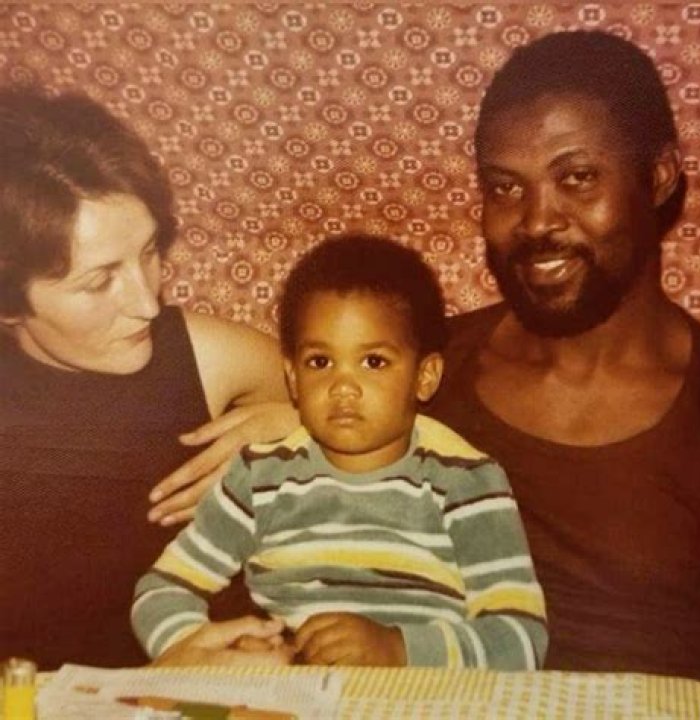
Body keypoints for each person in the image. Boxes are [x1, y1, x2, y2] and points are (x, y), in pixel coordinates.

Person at [426, 30, 700, 682]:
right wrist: (288, 423)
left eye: (577, 178)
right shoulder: (423, 369)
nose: (536, 222)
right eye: (505, 188)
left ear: (659, 178)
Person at [132, 234, 547, 669]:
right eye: (320, 362)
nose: (343, 386)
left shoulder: (467, 481)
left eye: (374, 362)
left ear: (425, 376)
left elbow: (521, 638)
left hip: (421, 694)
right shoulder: (258, 477)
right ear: (293, 377)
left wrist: (398, 648)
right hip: (289, 691)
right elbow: (161, 589)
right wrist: (207, 651)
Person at [0, 87, 297, 669]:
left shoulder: (208, 357)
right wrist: (147, 688)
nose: (146, 302)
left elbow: (403, 431)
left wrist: (299, 431)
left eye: (149, 253)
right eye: (99, 281)